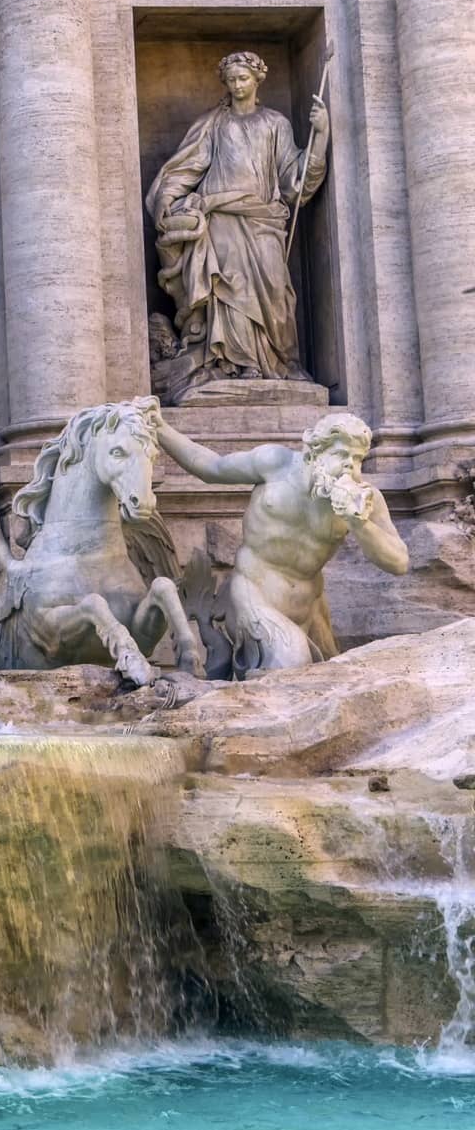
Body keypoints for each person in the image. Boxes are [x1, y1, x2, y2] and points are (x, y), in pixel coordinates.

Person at [156, 413, 408, 675]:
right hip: (252, 594)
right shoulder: (275, 465)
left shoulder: (365, 499)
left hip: (310, 609)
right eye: (342, 455)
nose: (350, 467)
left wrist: (358, 523)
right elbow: (210, 467)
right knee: (292, 668)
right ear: (314, 453)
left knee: (329, 683)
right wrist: (160, 429)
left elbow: (399, 562)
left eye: (357, 459)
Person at [146, 51, 328, 399]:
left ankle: (276, 362)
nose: (236, 85)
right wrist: (167, 199)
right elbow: (187, 168)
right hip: (222, 222)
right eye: (231, 80)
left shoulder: (275, 124)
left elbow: (295, 179)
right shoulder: (214, 123)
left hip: (263, 221)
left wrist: (321, 135)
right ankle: (230, 363)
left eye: (242, 78)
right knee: (228, 291)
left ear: (257, 80)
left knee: (275, 291)